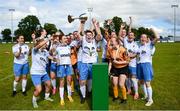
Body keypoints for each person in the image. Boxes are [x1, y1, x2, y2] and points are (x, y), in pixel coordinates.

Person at [78, 18, 101, 104]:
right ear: (85, 36)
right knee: (83, 81)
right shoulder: (83, 40)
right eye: (87, 34)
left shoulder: (95, 41)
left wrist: (95, 24)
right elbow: (78, 34)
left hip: (93, 64)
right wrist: (81, 24)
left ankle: (90, 92)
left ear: (92, 36)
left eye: (90, 34)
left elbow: (99, 34)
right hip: (84, 64)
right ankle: (83, 96)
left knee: (92, 79)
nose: (88, 36)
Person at [137, 28, 159, 106]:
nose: (142, 38)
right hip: (139, 64)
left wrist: (153, 30)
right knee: (141, 82)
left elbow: (157, 37)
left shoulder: (150, 44)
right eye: (141, 37)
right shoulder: (139, 46)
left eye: (144, 37)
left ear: (147, 39)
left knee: (147, 83)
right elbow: (136, 55)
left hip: (146, 65)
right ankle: (146, 96)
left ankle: (150, 100)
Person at [31, 38, 54, 108]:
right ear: (40, 44)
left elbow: (49, 57)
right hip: (35, 73)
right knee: (39, 89)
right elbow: (39, 45)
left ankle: (46, 97)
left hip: (43, 72)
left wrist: (55, 59)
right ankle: (34, 100)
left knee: (49, 85)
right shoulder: (35, 50)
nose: (45, 45)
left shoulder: (45, 51)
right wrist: (48, 39)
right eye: (44, 44)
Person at [107, 36, 130, 104]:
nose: (110, 42)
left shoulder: (123, 49)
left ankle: (124, 99)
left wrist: (119, 62)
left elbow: (128, 61)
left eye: (112, 41)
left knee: (121, 84)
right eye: (110, 41)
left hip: (123, 68)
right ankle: (116, 97)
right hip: (114, 68)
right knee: (114, 84)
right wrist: (109, 70)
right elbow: (111, 61)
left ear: (117, 42)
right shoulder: (110, 49)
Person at [56, 35, 74, 106]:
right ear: (60, 40)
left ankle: (69, 95)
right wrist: (56, 59)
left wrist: (71, 65)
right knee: (62, 82)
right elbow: (53, 54)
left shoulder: (68, 47)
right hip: (61, 66)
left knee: (69, 80)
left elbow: (69, 56)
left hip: (68, 66)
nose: (66, 39)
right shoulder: (58, 48)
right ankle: (62, 98)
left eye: (66, 38)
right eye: (64, 38)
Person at [124, 31, 139, 99]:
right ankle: (129, 90)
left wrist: (129, 57)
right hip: (125, 64)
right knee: (127, 78)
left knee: (133, 79)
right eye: (129, 35)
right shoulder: (125, 42)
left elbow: (136, 54)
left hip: (133, 64)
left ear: (134, 37)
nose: (130, 36)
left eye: (132, 35)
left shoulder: (136, 44)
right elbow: (119, 35)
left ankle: (136, 93)